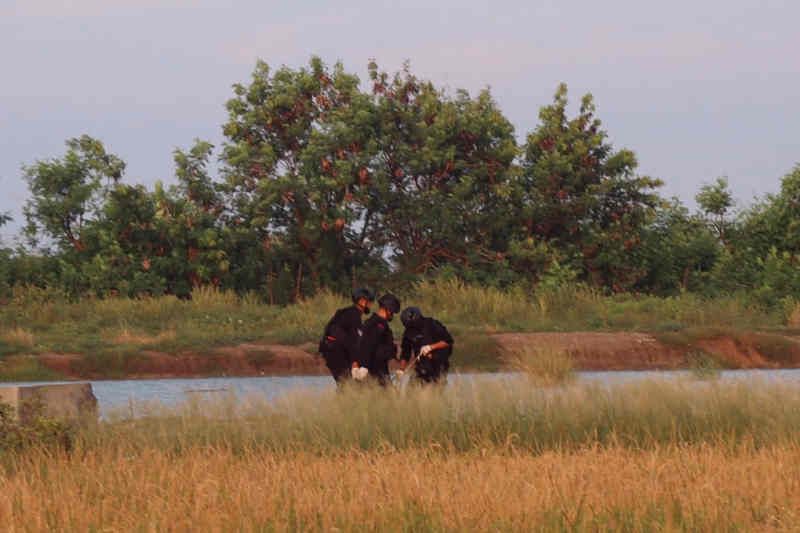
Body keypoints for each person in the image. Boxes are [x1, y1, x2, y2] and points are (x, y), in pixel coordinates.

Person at [318, 287, 374, 385]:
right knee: (347, 385)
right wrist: (355, 364)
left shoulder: (347, 312)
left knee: (347, 384)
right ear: (361, 301)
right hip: (335, 352)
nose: (370, 304)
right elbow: (354, 340)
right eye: (369, 301)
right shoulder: (354, 315)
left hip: (331, 350)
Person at [398, 307, 454, 385]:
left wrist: (430, 347)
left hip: (437, 365)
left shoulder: (432, 324)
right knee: (411, 392)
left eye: (412, 325)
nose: (411, 328)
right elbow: (405, 353)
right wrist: (401, 369)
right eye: (408, 326)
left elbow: (448, 341)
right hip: (420, 367)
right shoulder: (408, 332)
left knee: (435, 392)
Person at [358, 293, 401, 386]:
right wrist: (364, 366)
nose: (392, 315)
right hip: (374, 370)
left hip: (381, 368)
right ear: (388, 310)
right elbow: (367, 345)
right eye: (392, 312)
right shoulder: (377, 325)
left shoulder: (381, 324)